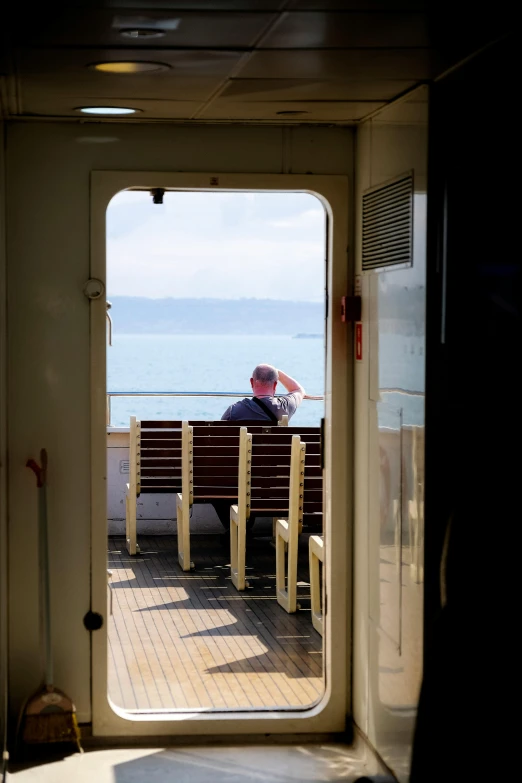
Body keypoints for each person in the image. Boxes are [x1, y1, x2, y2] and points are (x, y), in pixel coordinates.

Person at [221, 364, 305, 423]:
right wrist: (277, 372)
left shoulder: (233, 411)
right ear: (275, 384)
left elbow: (218, 436)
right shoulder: (285, 406)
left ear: (251, 382)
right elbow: (298, 390)